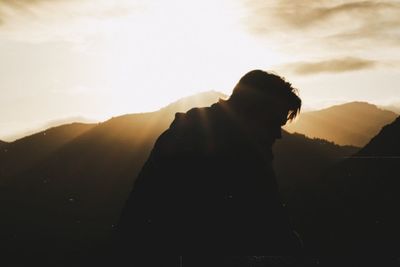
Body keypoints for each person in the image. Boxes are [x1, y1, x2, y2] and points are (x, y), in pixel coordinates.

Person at [116, 70, 302, 265]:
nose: (277, 134)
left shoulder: (237, 144)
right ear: (249, 112)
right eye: (272, 123)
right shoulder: (195, 146)